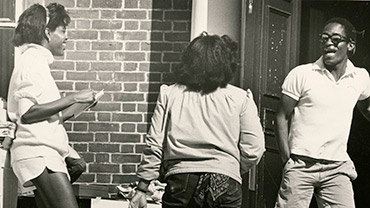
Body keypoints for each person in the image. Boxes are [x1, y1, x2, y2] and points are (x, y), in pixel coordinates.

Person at [129, 32, 265, 208]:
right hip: (226, 180)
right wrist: (229, 167)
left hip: (181, 179)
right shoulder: (240, 98)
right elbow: (255, 148)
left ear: (189, 61)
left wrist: (142, 189)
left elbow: (154, 145)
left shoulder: (170, 94)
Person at [275, 17, 370, 208]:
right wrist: (288, 160)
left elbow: (365, 106)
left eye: (335, 39)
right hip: (301, 165)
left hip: (337, 168)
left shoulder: (360, 77)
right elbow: (281, 116)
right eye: (324, 38)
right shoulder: (302, 74)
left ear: (350, 45)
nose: (328, 44)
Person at [7, 3, 95, 208]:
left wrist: (80, 105)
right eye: (63, 30)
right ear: (47, 32)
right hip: (39, 153)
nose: (67, 37)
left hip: (43, 151)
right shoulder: (32, 62)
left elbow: (46, 116)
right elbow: (28, 114)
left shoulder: (36, 62)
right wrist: (73, 97)